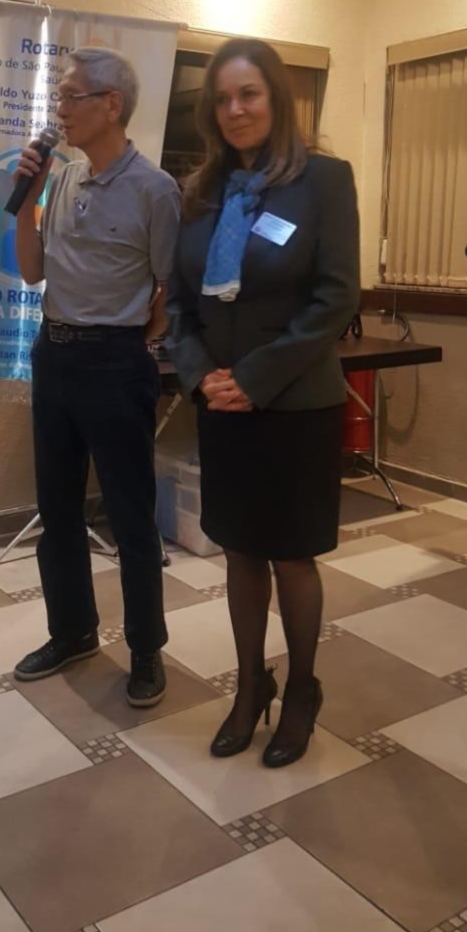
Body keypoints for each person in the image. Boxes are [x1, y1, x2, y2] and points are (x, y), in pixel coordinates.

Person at [167, 37, 360, 766]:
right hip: (222, 405)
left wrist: (255, 377)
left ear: (277, 98)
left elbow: (335, 297)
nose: (235, 109)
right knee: (240, 551)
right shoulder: (199, 192)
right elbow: (179, 302)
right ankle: (252, 686)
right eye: (221, 99)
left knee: (291, 558)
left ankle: (302, 688)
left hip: (295, 403)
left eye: (248, 94)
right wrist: (202, 376)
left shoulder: (323, 181)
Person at [12, 46, 180, 707]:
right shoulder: (62, 179)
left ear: (112, 105)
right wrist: (26, 197)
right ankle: (73, 632)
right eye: (60, 96)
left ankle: (145, 649)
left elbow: (170, 287)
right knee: (57, 510)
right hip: (52, 354)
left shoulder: (155, 190)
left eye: (71, 96)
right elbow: (32, 271)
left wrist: (135, 335)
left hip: (115, 362)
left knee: (130, 514)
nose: (61, 108)